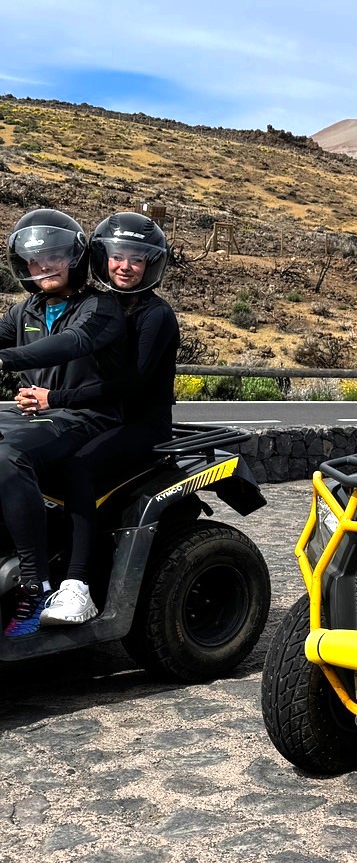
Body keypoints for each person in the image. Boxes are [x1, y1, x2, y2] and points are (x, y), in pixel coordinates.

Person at [41, 214, 180, 626]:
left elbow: (130, 384)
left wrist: (56, 398)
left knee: (77, 466)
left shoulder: (155, 315)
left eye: (137, 258)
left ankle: (78, 587)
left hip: (139, 422)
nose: (125, 266)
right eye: (118, 256)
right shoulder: (94, 304)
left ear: (150, 264)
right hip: (95, 414)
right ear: (103, 258)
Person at [0, 209, 126, 636]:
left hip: (84, 416)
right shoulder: (26, 310)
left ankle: (34, 583)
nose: (44, 266)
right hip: (33, 415)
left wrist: (6, 359)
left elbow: (72, 343)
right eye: (35, 259)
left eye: (54, 256)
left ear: (74, 258)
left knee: (6, 455)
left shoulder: (100, 307)